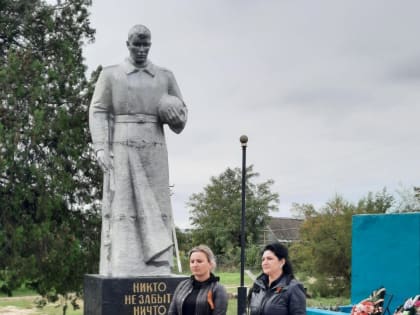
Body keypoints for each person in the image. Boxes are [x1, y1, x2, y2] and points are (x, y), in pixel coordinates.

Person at [89, 24, 187, 277]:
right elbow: (98, 110)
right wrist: (101, 146)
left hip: (155, 145)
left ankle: (157, 263)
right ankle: (125, 262)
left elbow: (182, 117)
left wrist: (174, 114)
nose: (142, 50)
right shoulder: (111, 75)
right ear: (128, 44)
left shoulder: (165, 76)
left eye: (146, 45)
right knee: (124, 206)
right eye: (137, 44)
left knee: (157, 202)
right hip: (122, 144)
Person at [248, 242, 306, 315]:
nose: (265, 262)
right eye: (263, 259)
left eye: (269, 259)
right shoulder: (258, 286)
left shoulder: (293, 288)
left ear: (282, 262)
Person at [168, 245, 228, 315]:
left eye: (199, 261)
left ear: (210, 264)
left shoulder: (218, 289)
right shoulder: (182, 285)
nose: (195, 265)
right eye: (192, 261)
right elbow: (172, 312)